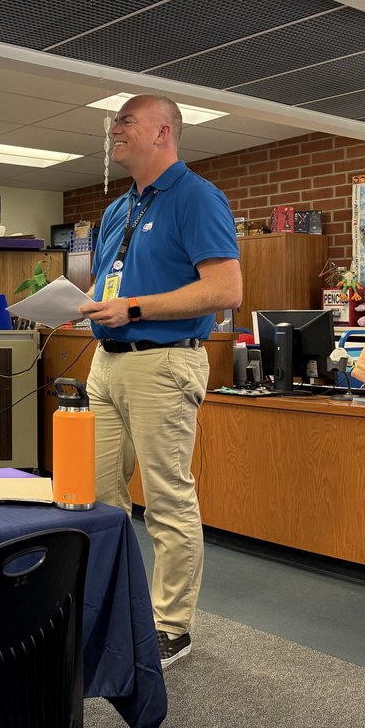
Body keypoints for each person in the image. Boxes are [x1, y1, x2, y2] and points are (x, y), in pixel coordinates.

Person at [78, 94, 242, 667]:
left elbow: (224, 291)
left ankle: (170, 625)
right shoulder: (120, 207)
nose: (114, 129)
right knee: (96, 496)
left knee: (168, 500)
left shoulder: (196, 197)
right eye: (114, 122)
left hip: (165, 362)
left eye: (126, 121)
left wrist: (136, 308)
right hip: (107, 363)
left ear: (163, 132)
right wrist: (86, 306)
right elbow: (110, 285)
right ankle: (109, 607)